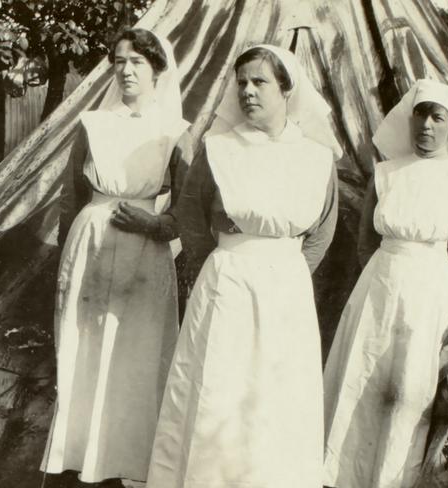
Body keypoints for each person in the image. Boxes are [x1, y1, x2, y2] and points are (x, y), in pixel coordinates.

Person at [146, 45, 340, 488]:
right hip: (227, 280)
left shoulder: (316, 157)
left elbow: (323, 230)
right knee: (220, 390)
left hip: (286, 287)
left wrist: (283, 274)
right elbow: (192, 219)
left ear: (287, 90)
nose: (248, 92)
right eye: (242, 83)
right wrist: (223, 267)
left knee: (275, 395)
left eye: (260, 82)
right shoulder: (218, 149)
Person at [322, 79, 448, 488]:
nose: (427, 125)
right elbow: (367, 240)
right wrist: (384, 280)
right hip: (378, 288)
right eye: (421, 114)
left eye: (438, 117)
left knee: (407, 395)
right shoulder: (386, 173)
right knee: (359, 383)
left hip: (429, 295)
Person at [40, 28, 190, 486]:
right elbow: (71, 197)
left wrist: (156, 225)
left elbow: (188, 209)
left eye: (137, 63)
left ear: (157, 71)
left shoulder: (175, 133)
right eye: (119, 62)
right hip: (91, 246)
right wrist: (68, 265)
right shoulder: (93, 125)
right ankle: (80, 461)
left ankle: (133, 467)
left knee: (136, 357)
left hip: (145, 254)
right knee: (83, 348)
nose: (126, 71)